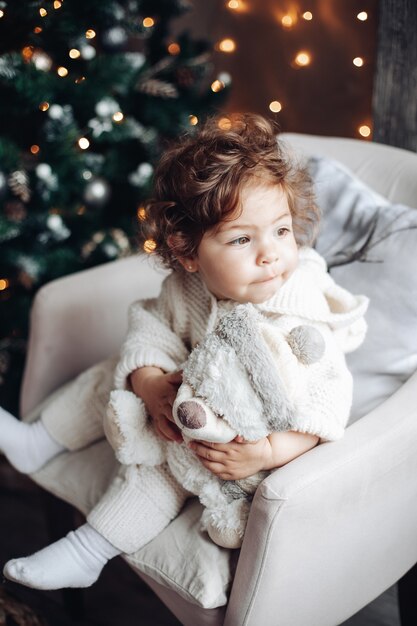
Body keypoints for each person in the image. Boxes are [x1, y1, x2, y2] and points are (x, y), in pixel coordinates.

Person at [0, 113, 368, 590]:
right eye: (241, 239)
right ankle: (39, 442)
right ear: (188, 251)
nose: (270, 254)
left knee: (162, 471)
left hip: (238, 440)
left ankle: (89, 550)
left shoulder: (300, 315)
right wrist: (148, 381)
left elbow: (329, 400)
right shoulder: (187, 287)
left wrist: (267, 452)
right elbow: (150, 326)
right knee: (117, 369)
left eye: (281, 231)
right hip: (186, 399)